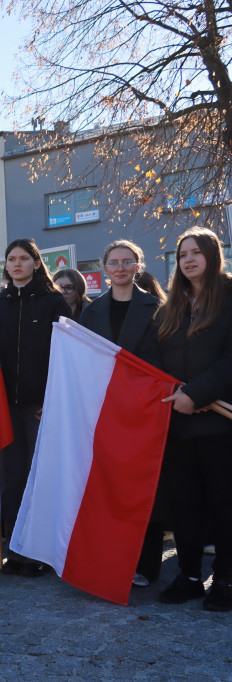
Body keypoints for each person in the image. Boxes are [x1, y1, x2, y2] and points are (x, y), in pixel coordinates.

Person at [154, 227, 232, 612]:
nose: (188, 258)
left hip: (221, 423)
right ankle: (188, 576)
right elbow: (155, 360)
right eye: (182, 252)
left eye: (196, 252)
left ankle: (227, 580)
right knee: (183, 503)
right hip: (179, 424)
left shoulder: (230, 296)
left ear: (212, 255)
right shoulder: (171, 306)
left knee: (225, 502)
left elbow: (230, 360)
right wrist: (178, 397)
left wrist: (197, 395)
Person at [80, 239, 163, 587]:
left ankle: (144, 564)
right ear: (105, 268)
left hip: (145, 410)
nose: (120, 268)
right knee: (107, 487)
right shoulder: (90, 311)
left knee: (143, 486)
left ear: (138, 266)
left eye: (128, 261)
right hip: (105, 411)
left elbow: (166, 358)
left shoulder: (158, 307)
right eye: (114, 262)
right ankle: (109, 557)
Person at [0, 238, 69, 576]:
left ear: (37, 263)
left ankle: (40, 552)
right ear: (6, 266)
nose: (17, 264)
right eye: (11, 259)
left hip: (41, 407)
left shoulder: (55, 303)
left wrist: (53, 400)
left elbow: (65, 357)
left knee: (40, 478)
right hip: (6, 407)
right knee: (12, 478)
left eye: (24, 258)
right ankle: (16, 550)